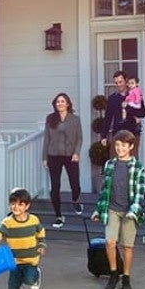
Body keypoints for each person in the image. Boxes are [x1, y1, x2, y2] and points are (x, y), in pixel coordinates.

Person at [90, 130, 145, 289]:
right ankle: (114, 273)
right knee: (110, 242)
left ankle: (126, 277)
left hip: (130, 211)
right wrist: (98, 210)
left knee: (127, 246)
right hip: (112, 209)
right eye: (117, 145)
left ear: (131, 146)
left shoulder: (138, 167)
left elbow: (140, 193)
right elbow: (104, 191)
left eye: (123, 145)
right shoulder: (110, 165)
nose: (120, 148)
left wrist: (133, 210)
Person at [0, 188, 45, 289]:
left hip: (31, 260)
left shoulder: (34, 220)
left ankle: (36, 276)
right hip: (14, 261)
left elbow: (40, 233)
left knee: (29, 280)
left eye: (20, 204)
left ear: (27, 206)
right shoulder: (8, 222)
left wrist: (41, 245)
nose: (16, 207)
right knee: (12, 287)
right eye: (13, 203)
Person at [42, 92, 84, 229]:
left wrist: (77, 153)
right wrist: (44, 157)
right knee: (55, 187)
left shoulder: (75, 119)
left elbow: (79, 138)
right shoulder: (50, 118)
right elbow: (46, 139)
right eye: (57, 102)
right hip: (54, 155)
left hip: (71, 155)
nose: (60, 103)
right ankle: (59, 216)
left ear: (67, 104)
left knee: (75, 183)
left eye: (62, 101)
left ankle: (75, 200)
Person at [101, 71, 145, 144]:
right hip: (117, 135)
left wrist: (128, 108)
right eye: (116, 83)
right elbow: (108, 118)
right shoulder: (112, 98)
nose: (118, 85)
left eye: (120, 82)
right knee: (115, 155)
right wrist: (104, 136)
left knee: (132, 155)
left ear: (126, 81)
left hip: (132, 134)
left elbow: (142, 113)